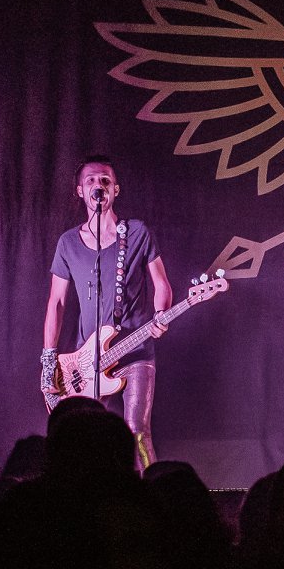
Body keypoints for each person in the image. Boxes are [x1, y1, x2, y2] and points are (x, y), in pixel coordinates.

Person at [41, 156, 172, 470]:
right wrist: (48, 361)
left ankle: (149, 491)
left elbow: (161, 283)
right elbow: (56, 302)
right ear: (79, 191)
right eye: (90, 181)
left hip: (136, 351)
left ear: (115, 189)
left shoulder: (137, 232)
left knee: (137, 430)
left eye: (104, 181)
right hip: (87, 359)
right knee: (84, 438)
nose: (98, 186)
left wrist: (161, 314)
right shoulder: (68, 243)